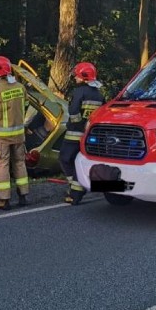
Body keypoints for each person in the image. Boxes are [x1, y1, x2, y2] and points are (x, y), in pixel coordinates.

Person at [0, 56, 29, 210]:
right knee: (19, 163)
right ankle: (23, 194)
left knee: (2, 166)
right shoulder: (20, 87)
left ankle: (4, 199)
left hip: (2, 137)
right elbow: (27, 104)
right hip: (19, 135)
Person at [59, 62, 105, 205]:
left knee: (64, 159)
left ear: (83, 76)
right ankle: (76, 189)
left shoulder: (78, 92)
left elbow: (73, 111)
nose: (75, 78)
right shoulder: (99, 94)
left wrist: (78, 124)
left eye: (77, 76)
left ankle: (76, 189)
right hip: (90, 136)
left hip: (74, 133)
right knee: (79, 162)